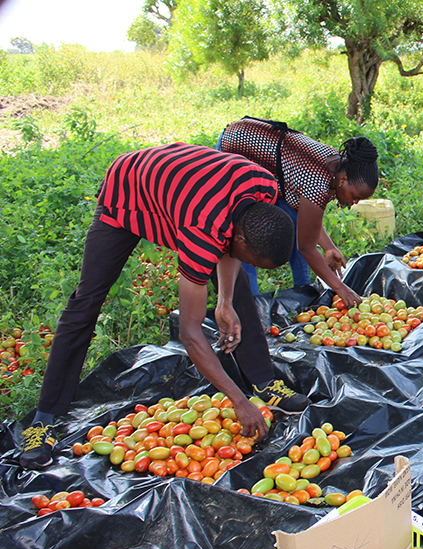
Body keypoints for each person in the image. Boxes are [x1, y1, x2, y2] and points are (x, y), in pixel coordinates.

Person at [18, 142, 311, 470]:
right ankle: (42, 420)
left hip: (181, 191)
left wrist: (225, 302)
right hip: (128, 191)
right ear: (240, 239)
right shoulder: (202, 230)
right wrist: (239, 403)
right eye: (252, 258)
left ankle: (263, 379)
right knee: (85, 302)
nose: (244, 257)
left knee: (237, 285)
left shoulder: (264, 187)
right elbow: (190, 333)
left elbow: (232, 249)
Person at [218, 117, 380, 305]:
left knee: (295, 223)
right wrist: (341, 289)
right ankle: (249, 304)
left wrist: (328, 247)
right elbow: (307, 247)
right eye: (354, 196)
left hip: (273, 163)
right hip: (237, 147)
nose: (355, 202)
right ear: (343, 180)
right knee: (246, 235)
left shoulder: (339, 166)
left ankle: (302, 294)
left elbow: (309, 218)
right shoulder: (317, 183)